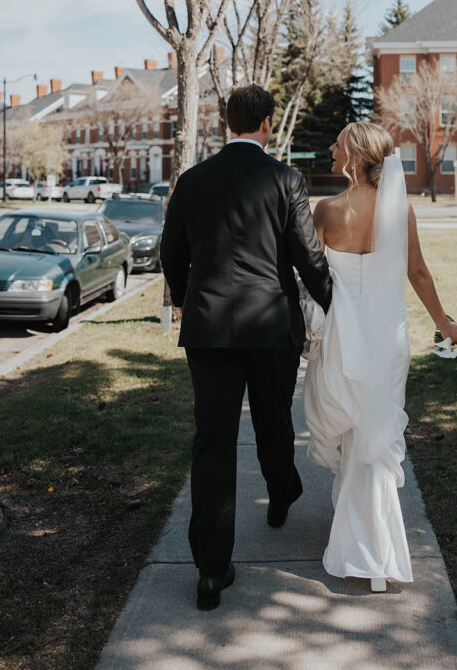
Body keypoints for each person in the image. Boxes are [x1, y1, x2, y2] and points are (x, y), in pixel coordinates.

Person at [160, 84, 332, 611]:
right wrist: (336, 303)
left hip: (209, 327)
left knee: (212, 440)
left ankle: (211, 572)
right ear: (265, 125)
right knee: (274, 419)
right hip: (270, 326)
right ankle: (281, 492)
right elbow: (308, 258)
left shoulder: (191, 181)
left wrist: (189, 301)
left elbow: (172, 255)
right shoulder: (286, 179)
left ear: (226, 123)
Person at [304, 122, 457, 592]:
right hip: (389, 339)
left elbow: (308, 275)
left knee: (356, 432)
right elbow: (417, 272)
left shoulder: (327, 210)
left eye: (337, 143)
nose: (330, 147)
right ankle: (373, 548)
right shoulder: (400, 209)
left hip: (343, 338)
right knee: (376, 433)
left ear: (353, 156)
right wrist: (446, 326)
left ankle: (364, 548)